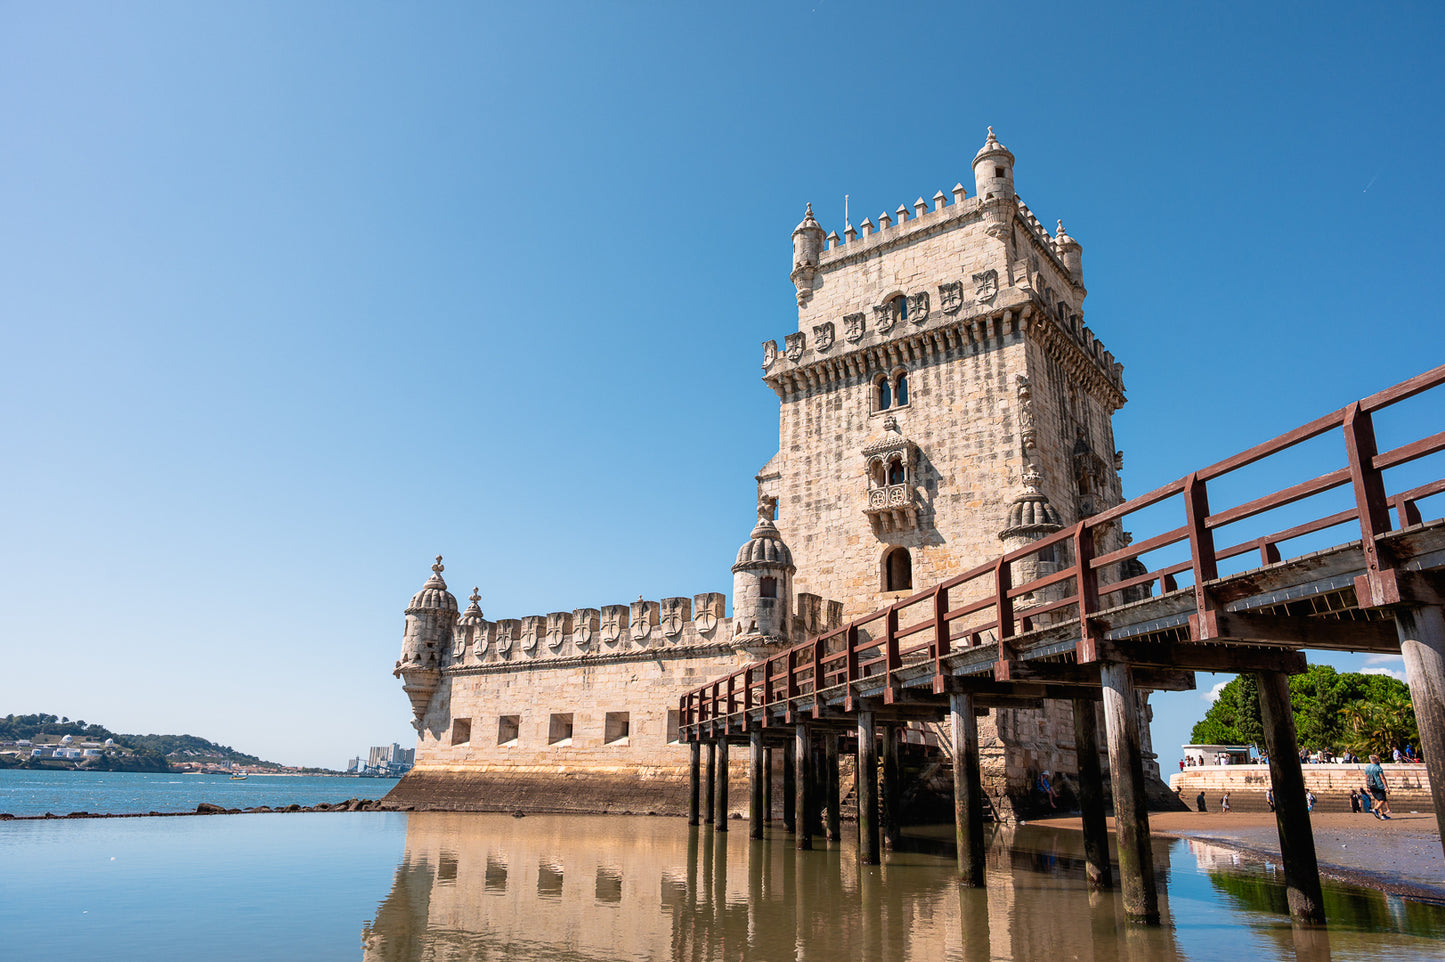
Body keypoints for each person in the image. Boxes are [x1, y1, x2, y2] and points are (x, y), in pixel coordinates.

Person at [1365, 753, 1392, 819]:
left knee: (1378, 799)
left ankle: (1382, 814)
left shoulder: (1367, 767)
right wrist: (1386, 787)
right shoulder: (1378, 768)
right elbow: (1382, 778)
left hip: (1371, 785)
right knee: (1383, 799)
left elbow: (1366, 777)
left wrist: (1367, 786)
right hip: (1379, 786)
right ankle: (1376, 809)